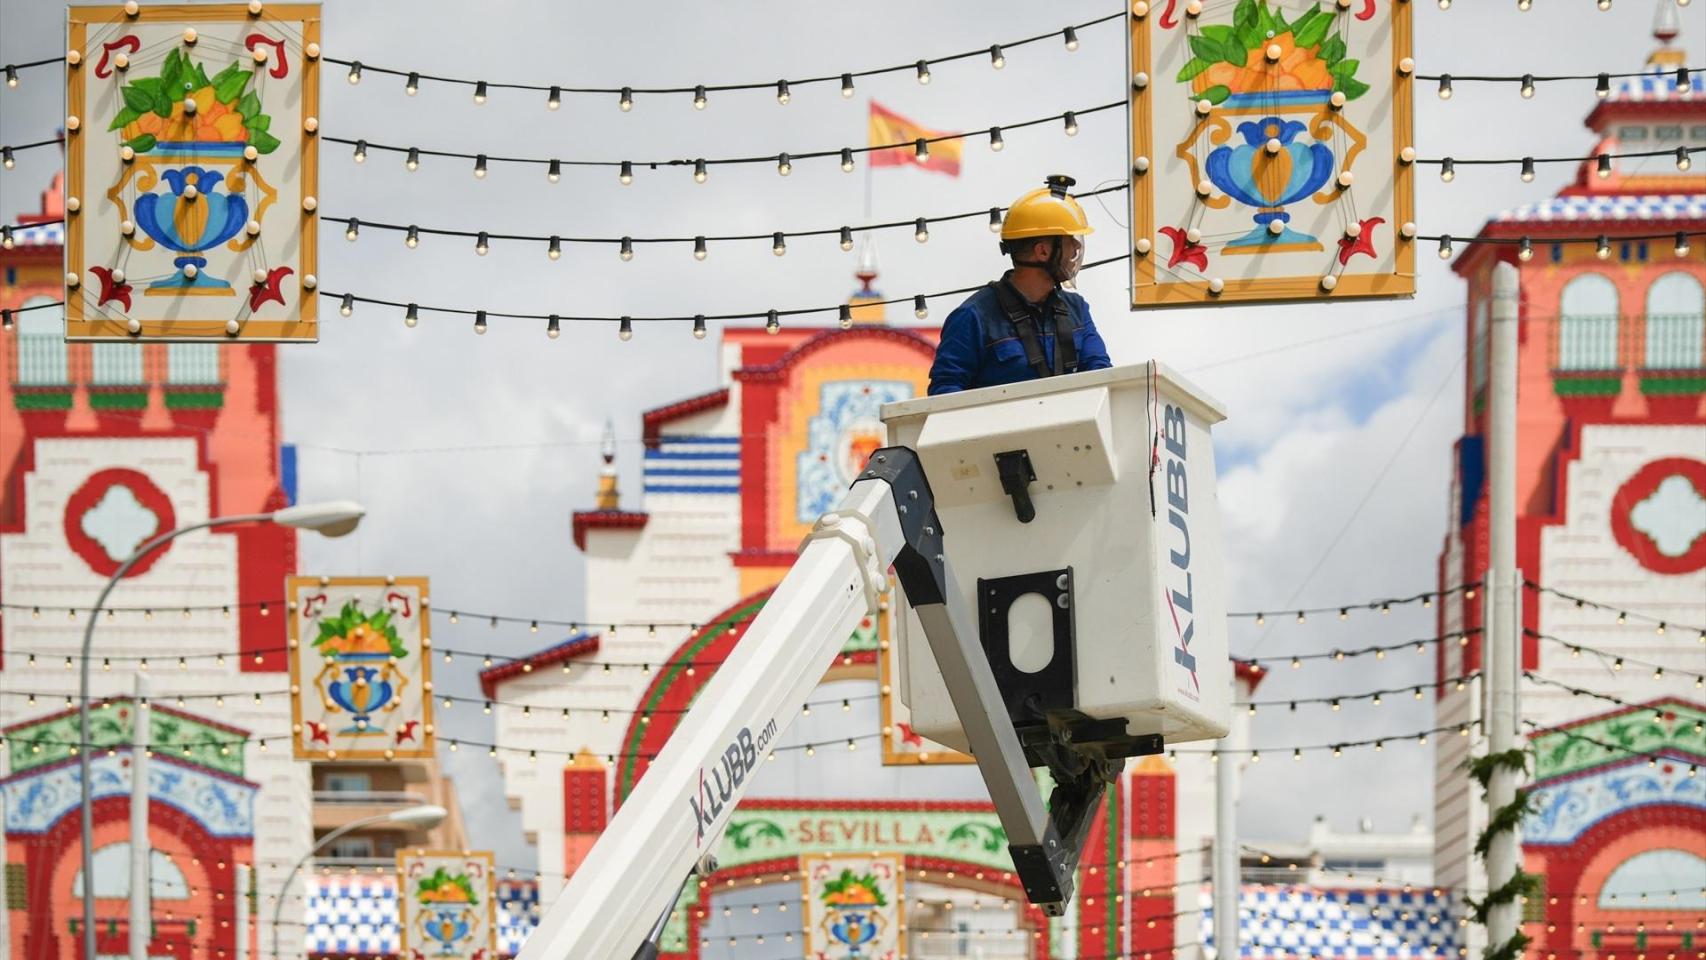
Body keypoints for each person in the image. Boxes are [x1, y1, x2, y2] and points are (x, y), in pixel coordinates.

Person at [927, 174, 1112, 395]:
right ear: (1042, 251)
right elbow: (944, 393)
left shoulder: (1077, 310)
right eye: (1069, 242)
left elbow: (1102, 378)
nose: (1076, 250)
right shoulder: (973, 317)